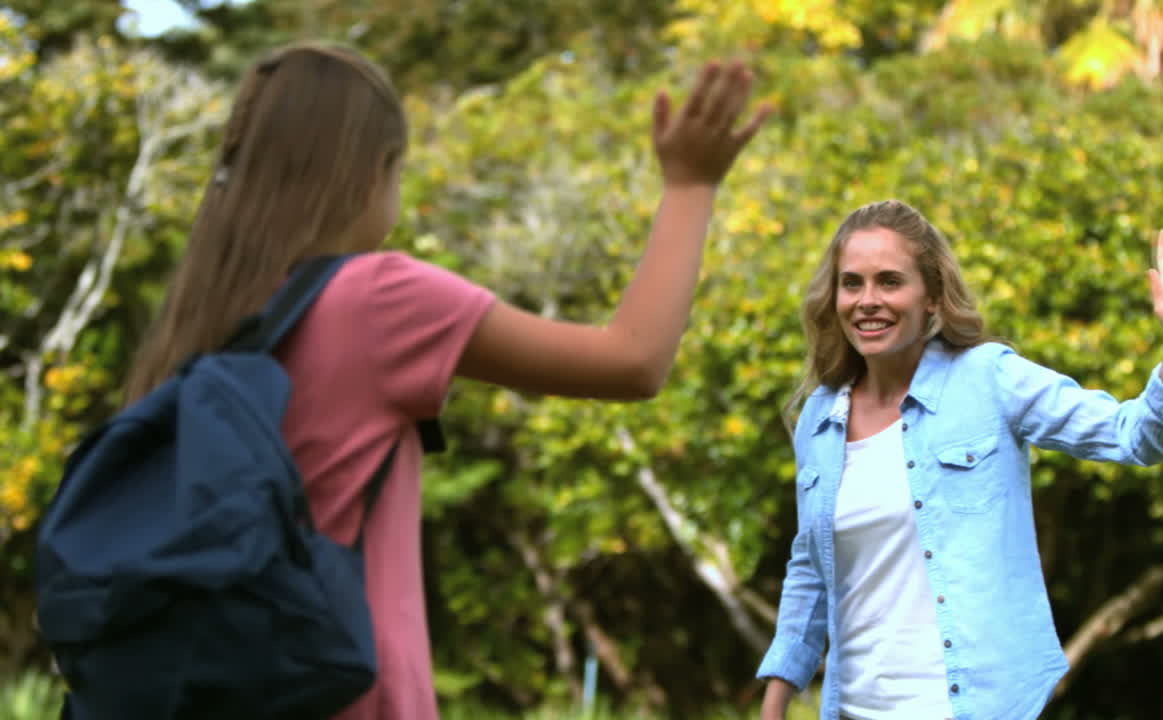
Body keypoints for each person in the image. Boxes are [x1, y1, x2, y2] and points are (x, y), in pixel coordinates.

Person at [121, 42, 770, 720]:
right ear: (371, 175)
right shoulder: (376, 298)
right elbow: (634, 360)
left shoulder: (198, 321)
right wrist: (691, 185)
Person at [756, 200, 1163, 720]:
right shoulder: (819, 417)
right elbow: (811, 569)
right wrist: (775, 703)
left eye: (889, 281)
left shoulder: (989, 379)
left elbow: (1136, 438)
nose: (867, 301)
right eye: (852, 283)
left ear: (930, 297)